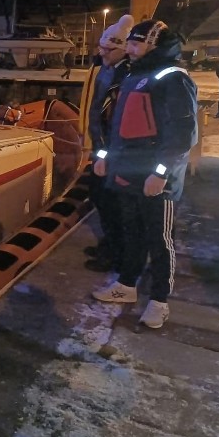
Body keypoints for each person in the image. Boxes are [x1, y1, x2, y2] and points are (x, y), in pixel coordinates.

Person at [91, 20, 198, 329]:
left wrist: (161, 174)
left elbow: (181, 135)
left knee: (160, 239)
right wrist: (105, 158)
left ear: (153, 45)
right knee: (132, 233)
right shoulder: (134, 75)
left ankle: (159, 301)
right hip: (127, 172)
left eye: (136, 43)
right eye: (130, 43)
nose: (129, 48)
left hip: (155, 179)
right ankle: (126, 285)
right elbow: (118, 128)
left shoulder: (172, 78)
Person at [85, 14, 134, 272]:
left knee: (112, 204)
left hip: (112, 152)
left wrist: (104, 153)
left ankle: (117, 255)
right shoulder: (108, 69)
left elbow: (114, 119)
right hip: (101, 147)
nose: (102, 53)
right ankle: (109, 245)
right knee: (100, 199)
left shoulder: (123, 76)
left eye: (107, 49)